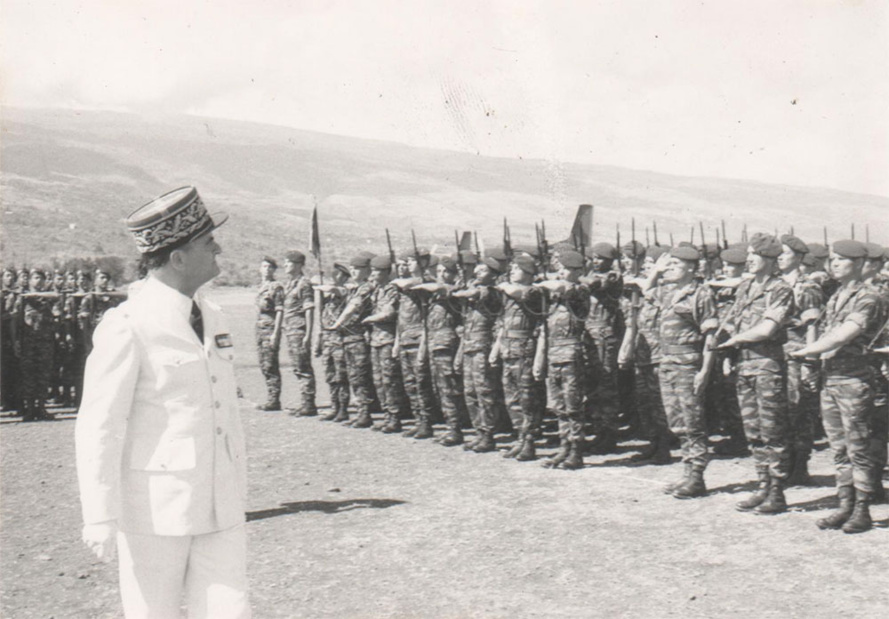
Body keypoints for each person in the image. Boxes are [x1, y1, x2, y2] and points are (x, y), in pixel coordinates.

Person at [75, 186, 250, 618]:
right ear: (178, 257)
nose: (219, 249)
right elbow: (100, 424)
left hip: (221, 499)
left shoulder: (213, 315)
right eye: (209, 243)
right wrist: (99, 514)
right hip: (156, 511)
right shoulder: (128, 325)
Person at [791, 240, 884, 533]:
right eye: (832, 259)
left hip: (855, 380)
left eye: (841, 260)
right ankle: (845, 504)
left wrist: (807, 352)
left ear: (858, 263)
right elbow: (826, 330)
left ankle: (862, 509)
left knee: (858, 447)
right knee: (839, 448)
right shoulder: (837, 295)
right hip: (832, 379)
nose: (834, 264)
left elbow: (845, 334)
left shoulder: (869, 297)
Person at [718, 233, 794, 515]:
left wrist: (734, 342)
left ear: (771, 260)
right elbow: (735, 325)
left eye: (754, 254)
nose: (748, 259)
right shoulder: (746, 287)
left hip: (767, 366)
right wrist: (730, 354)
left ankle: (777, 491)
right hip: (745, 365)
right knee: (752, 429)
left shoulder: (780, 289)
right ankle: (763, 484)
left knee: (772, 430)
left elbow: (767, 329)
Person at [282, 250, 317, 417]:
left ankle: (309, 404)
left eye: (288, 263)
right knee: (297, 366)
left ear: (298, 265)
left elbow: (309, 310)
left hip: (299, 330)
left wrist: (308, 335)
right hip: (290, 330)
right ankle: (305, 403)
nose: (285, 266)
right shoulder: (290, 283)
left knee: (303, 367)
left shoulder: (304, 284)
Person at [255, 256, 284, 411]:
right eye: (264, 266)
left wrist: (276, 333)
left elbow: (280, 311)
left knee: (270, 363)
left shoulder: (276, 287)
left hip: (270, 328)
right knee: (263, 363)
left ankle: (274, 399)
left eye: (270, 267)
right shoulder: (261, 286)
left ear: (274, 270)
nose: (267, 270)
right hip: (260, 329)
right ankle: (270, 396)